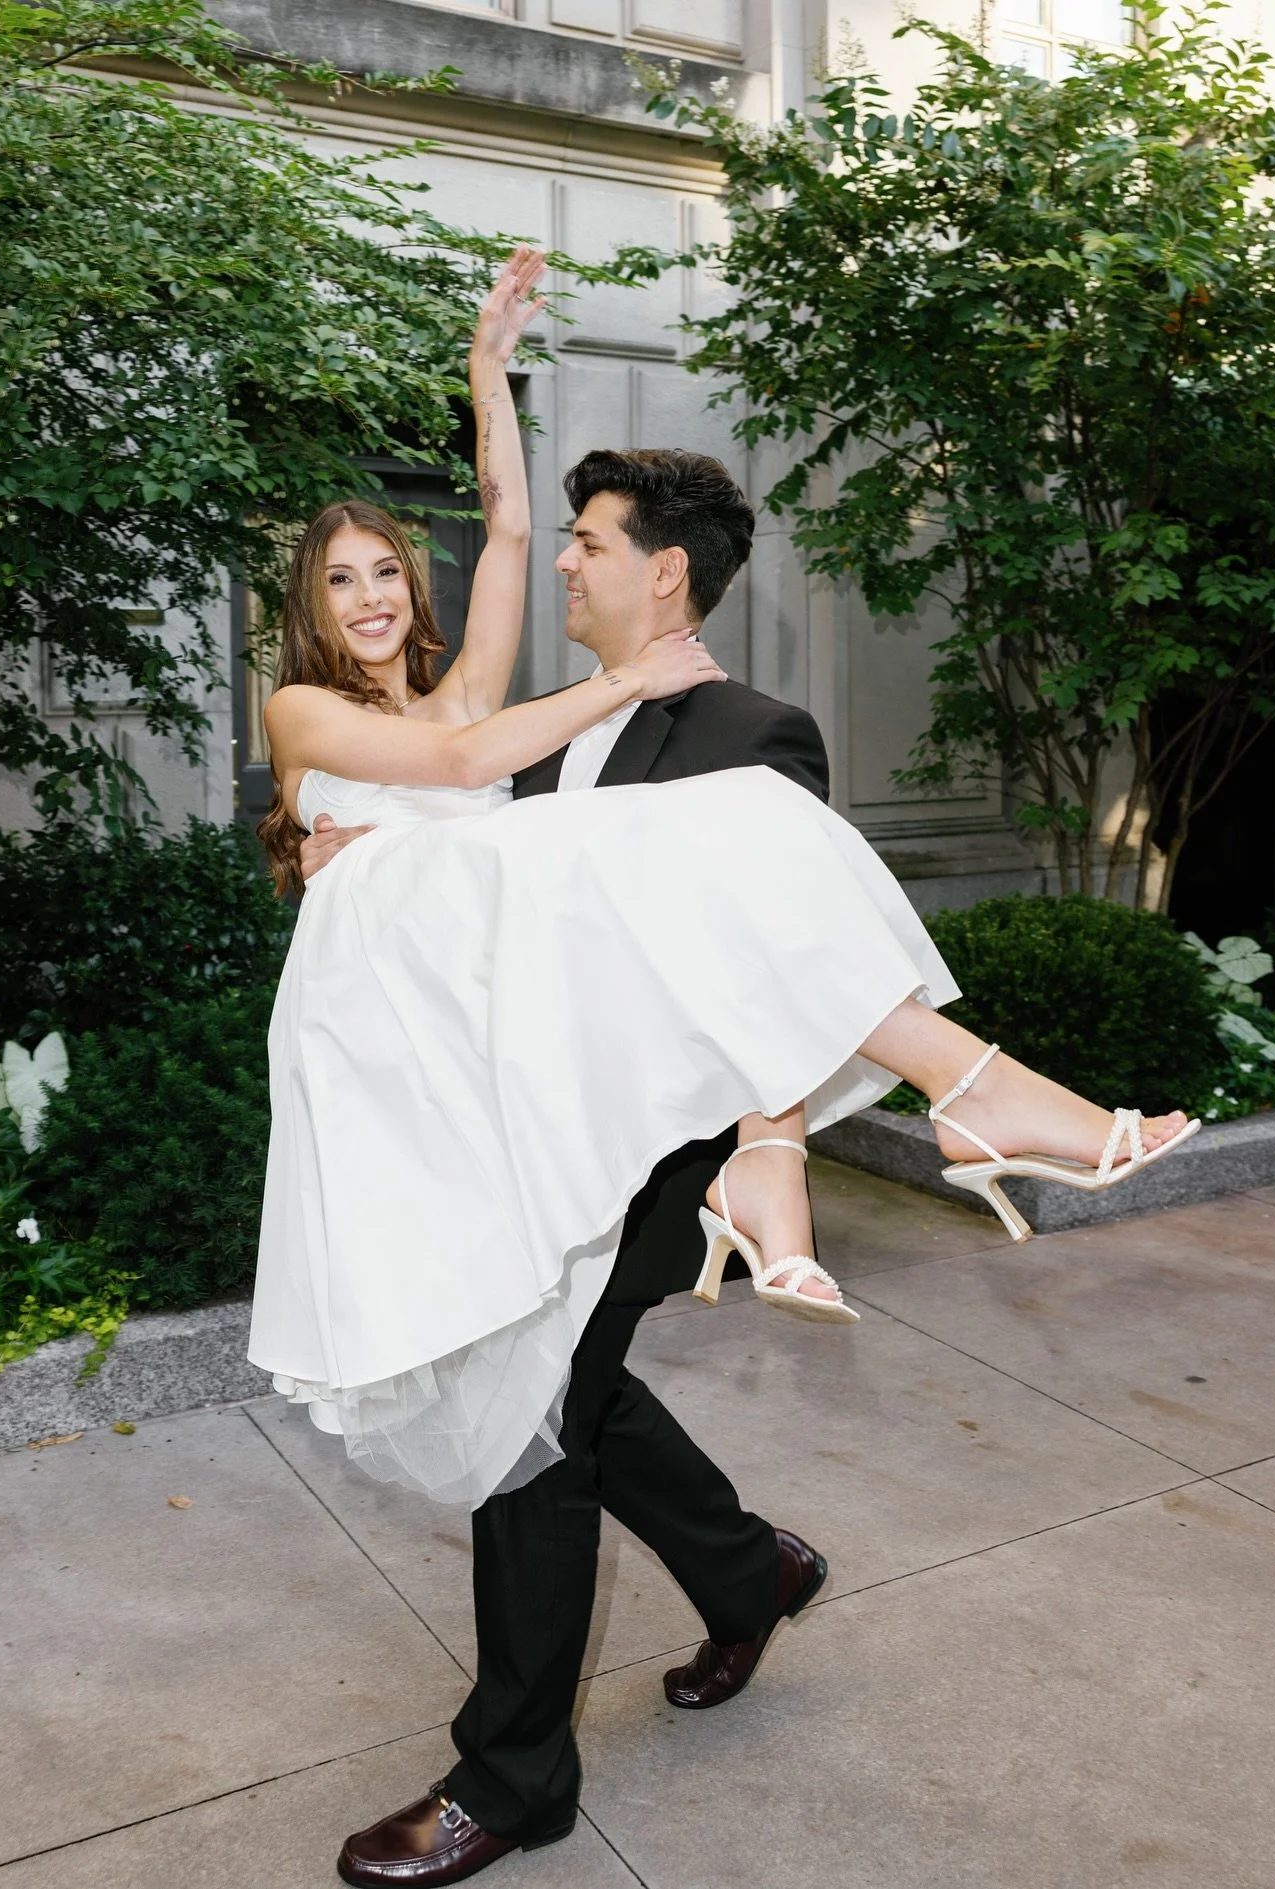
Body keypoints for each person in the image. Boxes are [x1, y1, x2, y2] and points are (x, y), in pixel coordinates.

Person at [250, 252, 1196, 1886]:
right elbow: (476, 782)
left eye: (388, 572)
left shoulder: (725, 730)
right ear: (307, 612)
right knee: (550, 1401)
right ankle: (753, 1556)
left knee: (537, 1409)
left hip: (611, 1128)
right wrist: (602, 692)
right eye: (344, 584)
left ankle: (518, 1773)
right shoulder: (356, 721)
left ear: (661, 573)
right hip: (445, 1092)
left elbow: (513, 542)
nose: (378, 599)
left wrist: (494, 375)